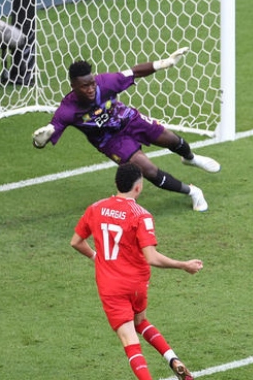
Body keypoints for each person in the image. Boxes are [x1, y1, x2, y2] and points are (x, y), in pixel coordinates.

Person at [31, 47, 220, 212]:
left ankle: (191, 158)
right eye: (84, 86)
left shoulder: (106, 82)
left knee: (172, 139)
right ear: (73, 86)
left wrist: (164, 63)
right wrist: (40, 140)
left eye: (92, 84)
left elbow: (134, 72)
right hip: (111, 141)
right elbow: (49, 131)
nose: (90, 89)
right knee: (149, 170)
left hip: (129, 119)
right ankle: (193, 192)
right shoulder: (67, 110)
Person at [70, 163, 203, 380]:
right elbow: (152, 257)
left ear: (116, 183)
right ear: (139, 188)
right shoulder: (141, 215)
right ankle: (172, 359)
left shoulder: (95, 208)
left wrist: (97, 257)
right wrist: (184, 264)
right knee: (140, 321)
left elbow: (76, 242)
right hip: (137, 284)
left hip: (111, 286)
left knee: (129, 340)